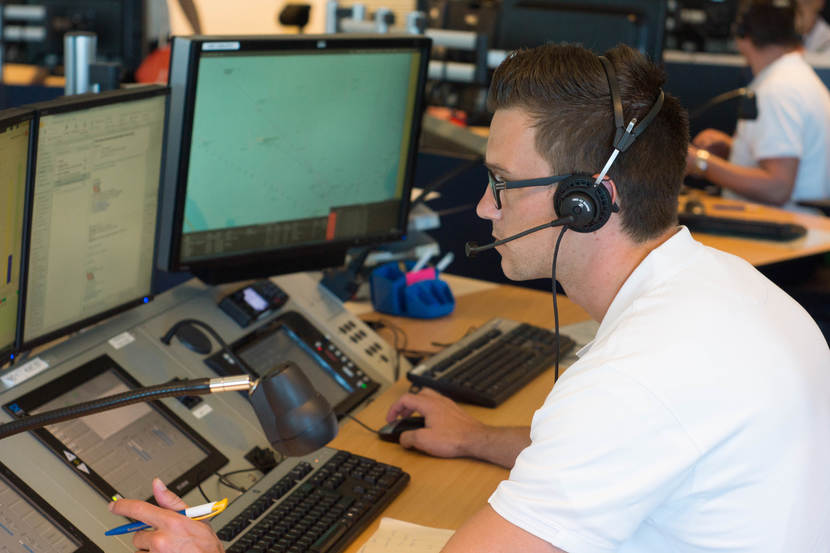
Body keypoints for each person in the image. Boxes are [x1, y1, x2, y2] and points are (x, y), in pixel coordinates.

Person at [111, 42, 830, 552]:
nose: (485, 208)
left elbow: (621, 423)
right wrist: (476, 439)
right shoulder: (729, 289)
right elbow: (621, 451)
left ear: (587, 202)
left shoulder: (634, 380)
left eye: (503, 183)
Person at [687, 0, 830, 211]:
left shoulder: (778, 90)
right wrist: (733, 148)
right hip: (797, 224)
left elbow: (777, 188)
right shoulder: (796, 78)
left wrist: (700, 162)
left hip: (781, 226)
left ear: (742, 36)